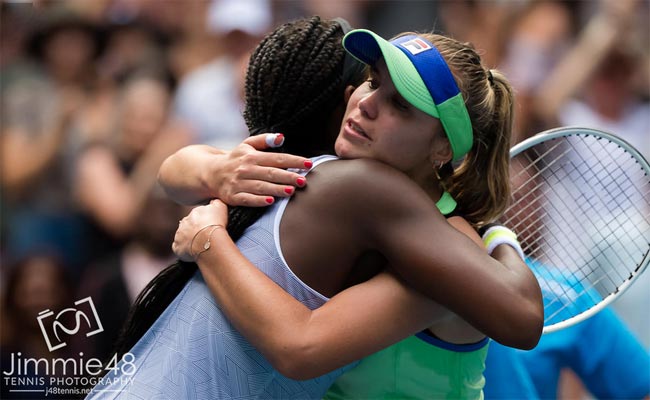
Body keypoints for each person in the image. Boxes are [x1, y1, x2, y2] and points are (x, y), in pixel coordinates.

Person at [89, 17, 541, 399]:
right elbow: (173, 171)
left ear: (443, 147)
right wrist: (218, 171)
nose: (365, 104)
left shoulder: (429, 233)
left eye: (400, 105)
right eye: (372, 82)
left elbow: (299, 349)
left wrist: (209, 243)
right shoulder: (343, 175)